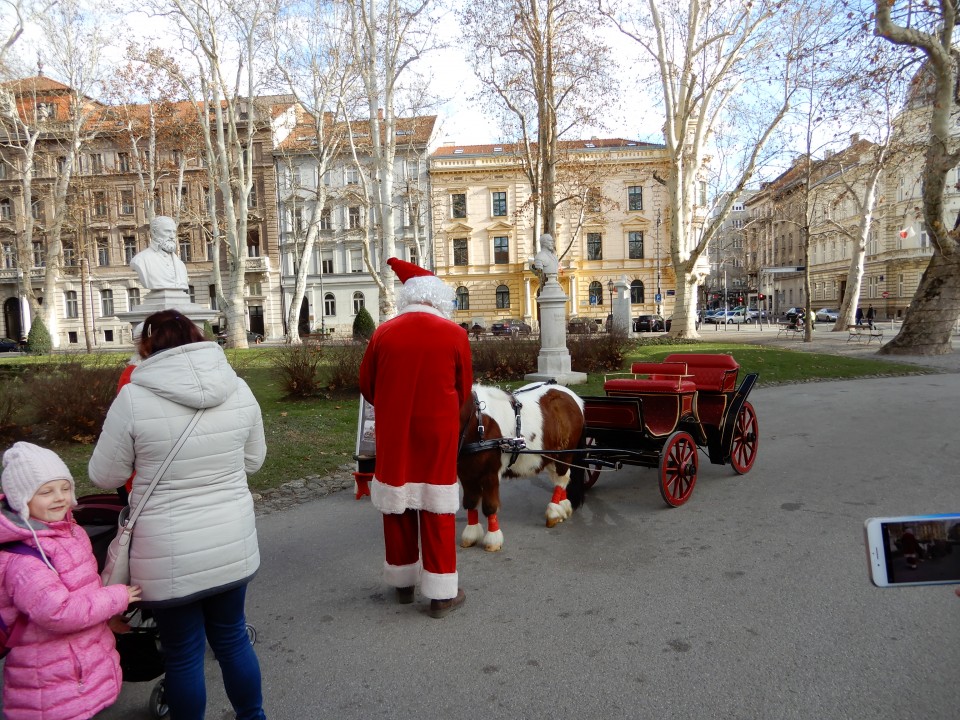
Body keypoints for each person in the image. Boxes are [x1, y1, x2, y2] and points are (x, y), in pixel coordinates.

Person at [88, 309, 268, 720]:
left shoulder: (133, 396)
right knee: (232, 640)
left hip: (168, 552)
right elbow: (254, 461)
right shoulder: (238, 388)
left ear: (147, 346)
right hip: (231, 541)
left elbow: (104, 474)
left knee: (184, 656)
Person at [359, 257, 473, 619]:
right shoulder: (454, 334)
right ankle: (441, 595)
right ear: (438, 298)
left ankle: (403, 584)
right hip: (438, 432)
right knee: (437, 507)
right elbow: (464, 387)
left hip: (395, 431)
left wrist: (394, 404)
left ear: (407, 297)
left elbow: (367, 386)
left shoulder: (383, 333)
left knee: (398, 503)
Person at [0, 441, 140, 720]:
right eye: (46, 492)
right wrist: (116, 597)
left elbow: (84, 587)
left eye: (65, 488)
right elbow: (58, 611)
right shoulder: (25, 561)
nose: (59, 497)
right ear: (20, 499)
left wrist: (106, 618)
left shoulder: (70, 533)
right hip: (52, 680)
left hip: (78, 667)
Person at [129, 216, 190, 290]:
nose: (172, 236)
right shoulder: (140, 260)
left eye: (174, 232)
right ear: (154, 232)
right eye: (167, 231)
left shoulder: (181, 265)